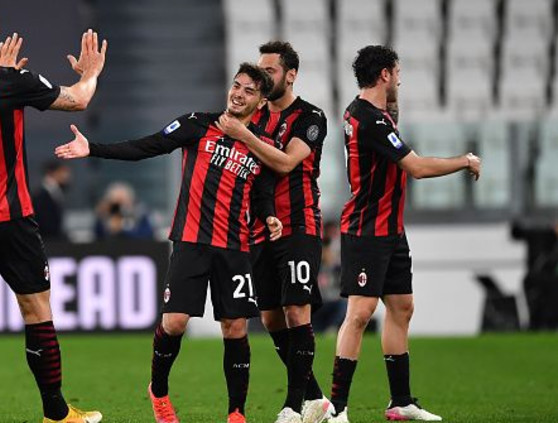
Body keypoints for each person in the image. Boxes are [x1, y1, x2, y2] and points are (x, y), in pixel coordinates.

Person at [55, 63, 283, 423]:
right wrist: (92, 148)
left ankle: (237, 413)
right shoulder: (197, 124)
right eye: (236, 86)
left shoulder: (262, 146)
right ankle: (158, 391)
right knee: (174, 323)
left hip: (235, 247)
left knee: (236, 327)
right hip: (191, 241)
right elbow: (148, 145)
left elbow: (263, 191)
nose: (238, 94)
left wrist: (269, 215)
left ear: (262, 101)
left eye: (249, 91)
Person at [0, 1, 106, 422]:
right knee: (36, 310)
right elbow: (79, 100)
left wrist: (2, 76)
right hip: (9, 215)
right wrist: (90, 73)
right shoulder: (9, 82)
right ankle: (56, 413)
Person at [325, 45, 481, 423]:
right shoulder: (369, 119)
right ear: (384, 75)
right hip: (367, 229)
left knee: (401, 307)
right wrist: (464, 160)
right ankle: (337, 408)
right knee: (360, 313)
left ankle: (401, 401)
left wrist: (392, 107)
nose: (399, 79)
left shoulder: (367, 113)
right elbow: (417, 168)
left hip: (390, 229)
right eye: (397, 72)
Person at [214, 41, 330, 423]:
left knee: (296, 310)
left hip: (298, 224)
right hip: (260, 228)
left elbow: (285, 163)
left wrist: (244, 135)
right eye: (260, 70)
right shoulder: (257, 114)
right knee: (270, 318)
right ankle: (315, 398)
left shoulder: (310, 117)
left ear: (290, 75)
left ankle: (293, 406)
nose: (263, 77)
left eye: (270, 71)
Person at [33, 161, 72, 241]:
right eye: (62, 171)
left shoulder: (55, 193)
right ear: (52, 173)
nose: (66, 176)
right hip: (48, 242)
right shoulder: (41, 196)